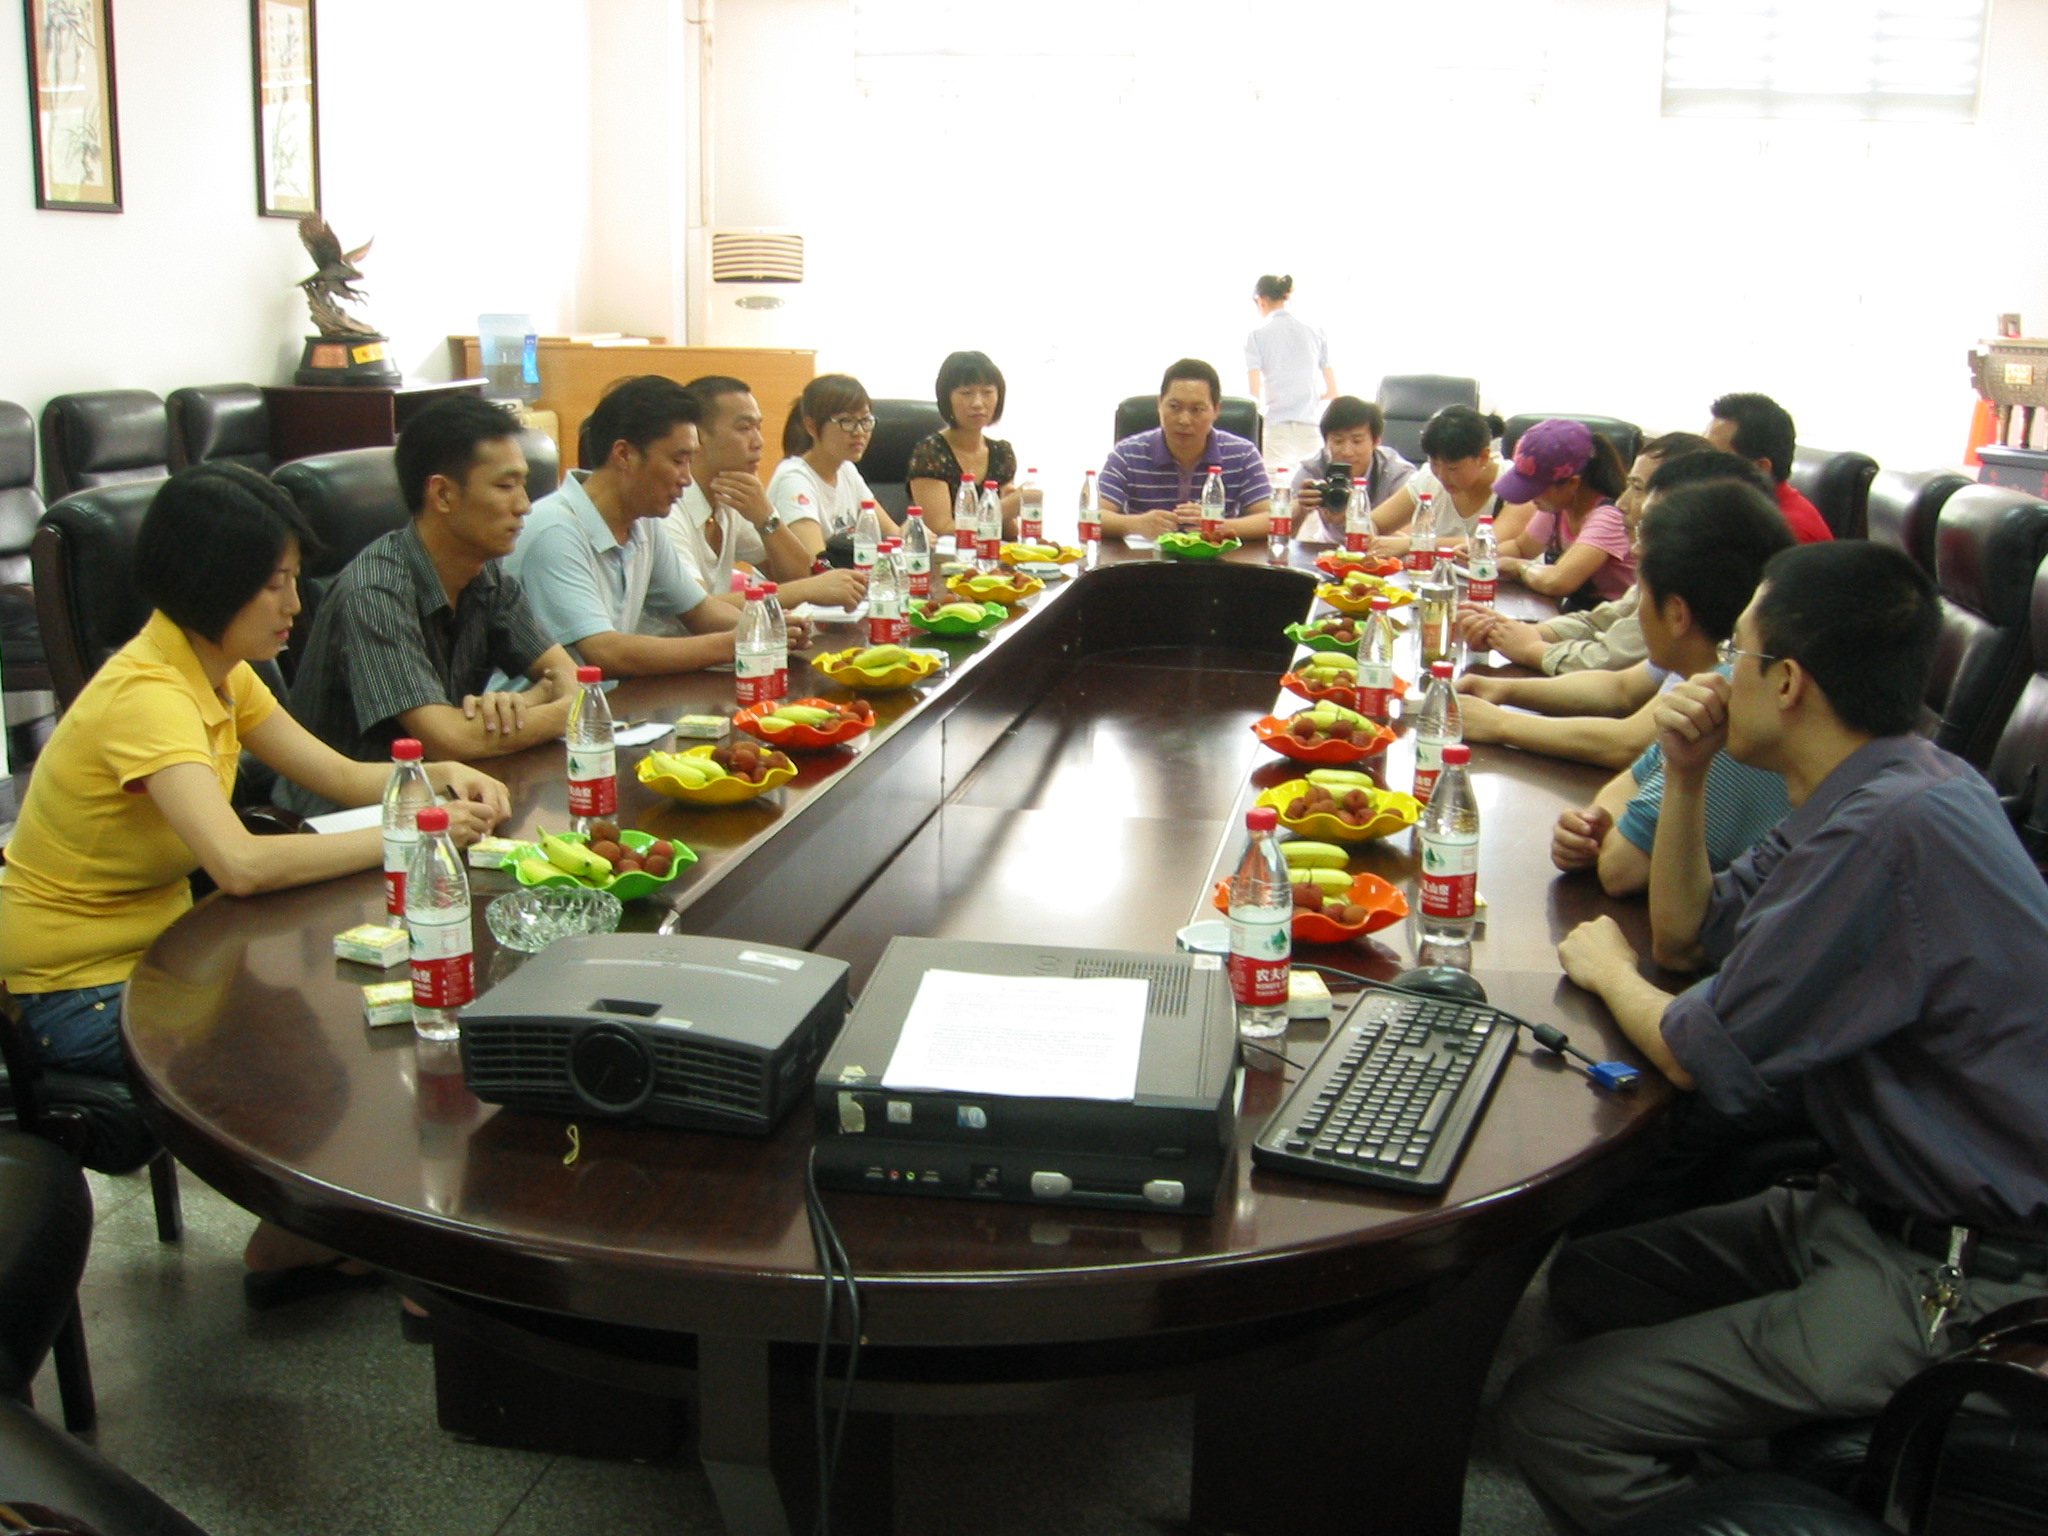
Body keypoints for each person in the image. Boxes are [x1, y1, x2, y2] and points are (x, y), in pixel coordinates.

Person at [1502, 541, 2048, 1530]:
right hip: (1862, 1205)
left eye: (1735, 656)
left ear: (1787, 682)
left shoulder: (1888, 831)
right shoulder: (1882, 782)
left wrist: (1606, 970)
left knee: (1553, 1415)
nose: (1715, 679)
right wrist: (1685, 774)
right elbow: (1686, 934)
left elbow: (1692, 1052)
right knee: (1592, 1277)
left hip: (1959, 1272)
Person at [0, 465, 509, 1302]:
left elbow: (337, 775)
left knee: (349, 1006)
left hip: (162, 946)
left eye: (292, 579)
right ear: (212, 584)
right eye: (274, 583)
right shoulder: (148, 696)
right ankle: (301, 1242)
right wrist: (413, 830)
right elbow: (238, 863)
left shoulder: (218, 670)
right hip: (73, 989)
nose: (294, 605)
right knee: (325, 1028)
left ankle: (301, 1234)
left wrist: (434, 775)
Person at [281, 399, 580, 816]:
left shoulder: (486, 577)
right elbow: (448, 739)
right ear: (442, 494)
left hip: (444, 797)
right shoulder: (375, 592)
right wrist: (556, 706)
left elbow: (570, 677)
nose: (525, 505)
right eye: (505, 486)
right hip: (345, 816)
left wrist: (527, 702)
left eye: (524, 485)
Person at [1546, 478, 1793, 896]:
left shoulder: (1735, 702)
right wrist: (1594, 825)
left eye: (1642, 592)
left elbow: (1622, 870)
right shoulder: (1712, 679)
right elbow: (1626, 784)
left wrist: (1609, 837)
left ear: (1677, 613)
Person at [1457, 451, 1780, 769]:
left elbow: (1627, 744)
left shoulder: (1726, 672)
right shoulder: (1703, 637)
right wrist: (1500, 688)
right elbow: (1620, 688)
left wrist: (1500, 724)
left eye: (1649, 526)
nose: (1624, 506)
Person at [506, 376, 777, 676]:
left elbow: (700, 610)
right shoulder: (555, 532)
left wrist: (769, 628)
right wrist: (738, 642)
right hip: (548, 703)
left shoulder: (644, 521)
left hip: (611, 698)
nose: (686, 479)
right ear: (624, 455)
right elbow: (605, 652)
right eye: (678, 461)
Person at [1461, 432, 1713, 674]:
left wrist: (1532, 649)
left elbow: (1612, 665)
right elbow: (1598, 621)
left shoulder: (1612, 519)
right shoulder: (1558, 509)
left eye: (1637, 488)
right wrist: (1512, 631)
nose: (1622, 503)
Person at [660, 376, 867, 614]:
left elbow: (798, 575)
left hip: (724, 636)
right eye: (744, 428)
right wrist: (806, 590)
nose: (759, 442)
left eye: (758, 428)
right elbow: (699, 610)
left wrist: (766, 517)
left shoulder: (731, 496)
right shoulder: (668, 510)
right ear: (697, 435)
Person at [1097, 358, 1273, 540]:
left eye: (1196, 409)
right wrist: (1135, 525)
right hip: (1146, 556)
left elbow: (1271, 519)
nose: (1184, 420)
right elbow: (1093, 515)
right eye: (1174, 407)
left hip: (1216, 557)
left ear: (1216, 410)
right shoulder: (1127, 454)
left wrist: (1217, 526)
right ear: (1160, 405)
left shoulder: (1243, 454)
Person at [1489, 419, 1636, 604]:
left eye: (1536, 488)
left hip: (1610, 615)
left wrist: (1516, 567)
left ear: (1572, 483)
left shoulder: (1610, 518)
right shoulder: (1557, 508)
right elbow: (1521, 548)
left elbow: (1558, 582)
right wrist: (1482, 554)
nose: (1531, 497)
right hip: (1578, 610)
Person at [1359, 405, 1536, 559]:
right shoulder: (1429, 478)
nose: (1441, 475)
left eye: (1453, 468)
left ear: (1483, 457)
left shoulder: (1517, 484)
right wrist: (1371, 539)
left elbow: (1489, 544)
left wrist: (1415, 543)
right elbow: (1372, 522)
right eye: (1435, 463)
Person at [768, 374, 896, 560]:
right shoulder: (794, 480)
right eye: (847, 421)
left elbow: (893, 533)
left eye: (865, 420)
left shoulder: (846, 469)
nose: (859, 432)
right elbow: (818, 563)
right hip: (811, 577)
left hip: (847, 574)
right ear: (812, 427)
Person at [906, 350, 1020, 538]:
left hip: (990, 553)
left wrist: (1014, 507)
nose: (978, 403)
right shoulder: (931, 453)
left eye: (987, 392)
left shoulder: (1002, 453)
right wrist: (1003, 508)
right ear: (947, 399)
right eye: (966, 393)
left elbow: (1008, 535)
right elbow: (941, 529)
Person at [1705, 391, 1833, 544]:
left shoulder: (1786, 532)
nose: (1700, 463)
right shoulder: (1742, 509)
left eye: (1715, 458)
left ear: (1760, 469)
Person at [1286, 398, 1416, 544]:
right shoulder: (1313, 469)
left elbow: (1408, 541)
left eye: (1357, 441)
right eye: (1338, 441)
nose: (1347, 452)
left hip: (1379, 553)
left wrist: (1355, 520)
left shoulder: (1397, 473)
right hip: (1328, 549)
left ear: (1376, 442)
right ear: (1326, 443)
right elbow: (1282, 537)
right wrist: (1301, 508)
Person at [1244, 275, 1335, 466]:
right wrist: (1309, 397)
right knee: (1314, 480)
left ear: (1261, 301)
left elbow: (1254, 394)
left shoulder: (1256, 334)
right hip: (1311, 425)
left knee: (1276, 481)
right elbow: (1333, 391)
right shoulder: (1315, 330)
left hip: (1276, 426)